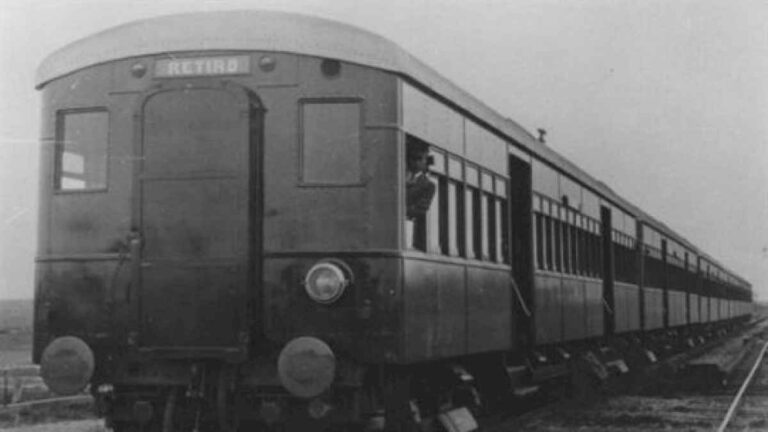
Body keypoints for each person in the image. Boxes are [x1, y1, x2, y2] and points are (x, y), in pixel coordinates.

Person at [405, 143, 436, 220]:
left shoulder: (428, 185)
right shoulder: (397, 177)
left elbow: (420, 211)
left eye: (419, 159)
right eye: (413, 159)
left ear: (425, 161)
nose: (416, 162)